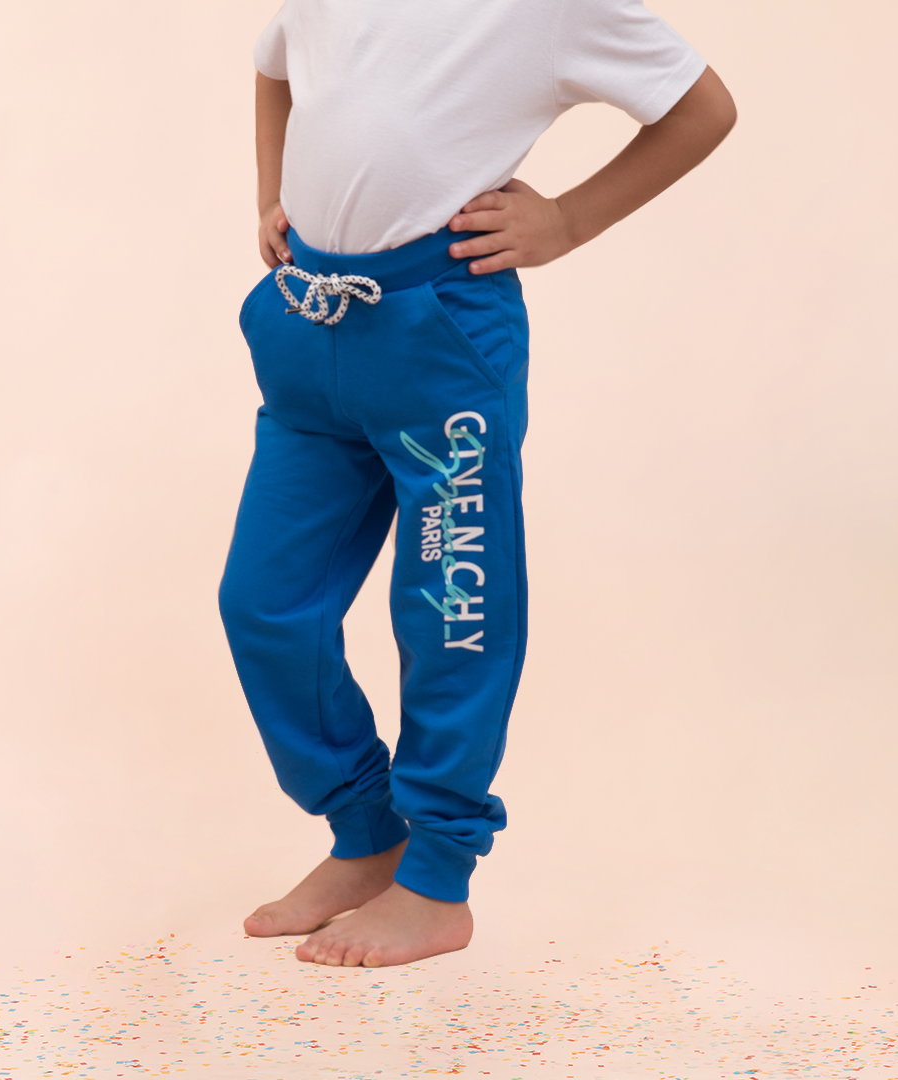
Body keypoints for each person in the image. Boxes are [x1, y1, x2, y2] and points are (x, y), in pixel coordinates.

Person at [219, 0, 736, 969]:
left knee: (451, 609)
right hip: (307, 319)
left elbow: (702, 109)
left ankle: (437, 878)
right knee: (263, 605)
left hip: (439, 336)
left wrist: (568, 219)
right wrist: (271, 195)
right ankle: (366, 832)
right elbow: (276, 66)